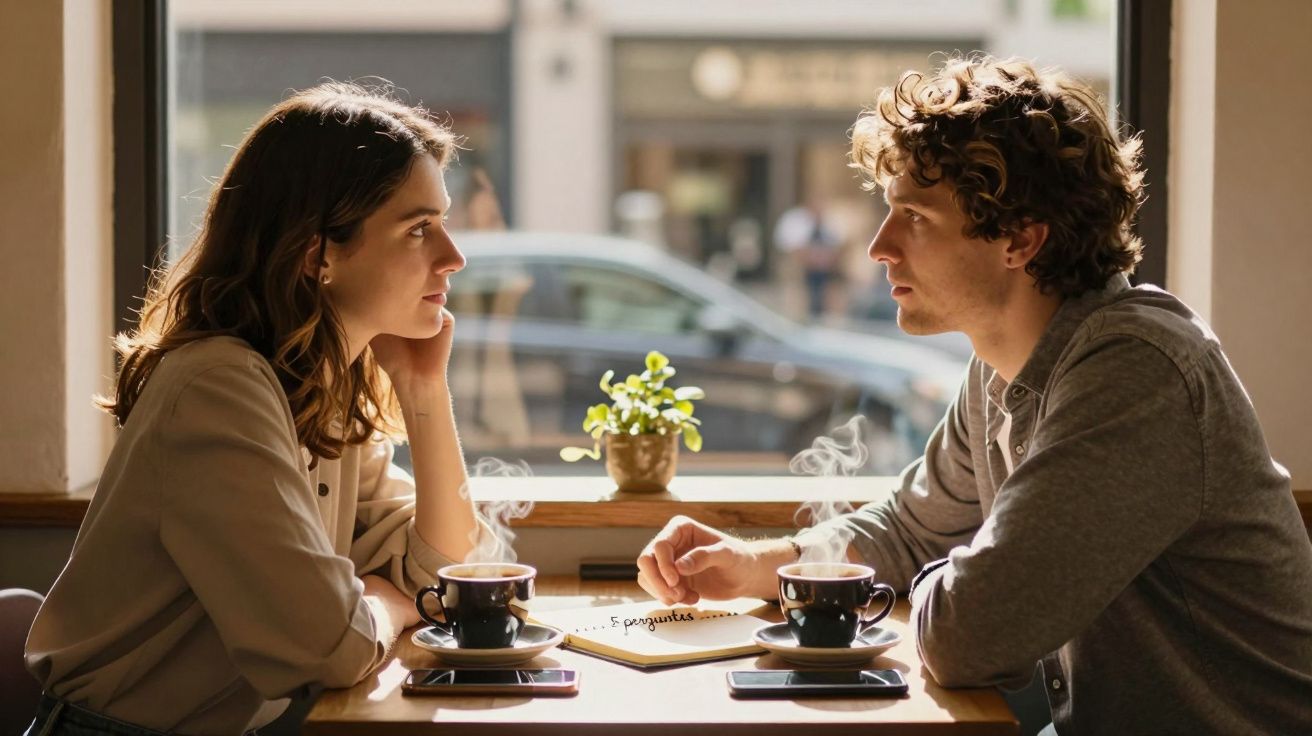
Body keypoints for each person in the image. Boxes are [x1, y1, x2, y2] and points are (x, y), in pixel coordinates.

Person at [637, 56, 1312, 734]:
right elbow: (909, 529)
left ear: (1019, 239)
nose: (878, 246)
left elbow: (971, 634)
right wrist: (754, 564)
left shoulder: (1136, 372)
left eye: (915, 216)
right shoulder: (1001, 365)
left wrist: (948, 579)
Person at [24, 82, 491, 735]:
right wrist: (385, 601)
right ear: (317, 255)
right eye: (419, 229)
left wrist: (423, 394)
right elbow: (331, 647)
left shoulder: (320, 385)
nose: (454, 257)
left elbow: (444, 573)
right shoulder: (218, 390)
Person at [773, 197, 844, 318]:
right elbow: (791, 248)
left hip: (823, 271)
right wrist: (809, 257)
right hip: (800, 269)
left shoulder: (829, 223)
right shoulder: (795, 220)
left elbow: (837, 247)